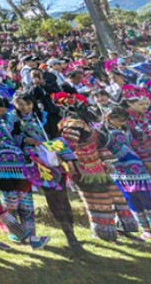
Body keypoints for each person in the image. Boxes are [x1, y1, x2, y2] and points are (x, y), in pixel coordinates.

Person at [55, 92, 137, 241]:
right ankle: (103, 233)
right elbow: (68, 147)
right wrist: (73, 165)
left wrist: (106, 161)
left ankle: (119, 229)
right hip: (83, 169)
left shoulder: (88, 123)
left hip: (97, 167)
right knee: (99, 201)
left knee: (116, 196)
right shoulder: (72, 124)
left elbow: (98, 145)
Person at [0, 96, 50, 250]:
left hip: (18, 162)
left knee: (23, 197)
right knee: (9, 200)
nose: (0, 113)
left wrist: (28, 144)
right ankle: (10, 233)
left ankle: (20, 234)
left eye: (3, 110)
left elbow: (17, 136)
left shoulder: (10, 117)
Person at [12, 91, 82, 252]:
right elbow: (11, 138)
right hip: (33, 163)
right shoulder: (13, 120)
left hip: (52, 159)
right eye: (20, 104)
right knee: (52, 196)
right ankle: (68, 235)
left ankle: (71, 234)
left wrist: (69, 160)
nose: (24, 107)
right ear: (15, 105)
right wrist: (24, 140)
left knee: (62, 197)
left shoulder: (44, 117)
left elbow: (58, 139)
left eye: (28, 104)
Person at [96, 106, 151, 240]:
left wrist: (146, 161)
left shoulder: (126, 130)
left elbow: (136, 146)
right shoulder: (101, 132)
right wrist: (107, 162)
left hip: (137, 168)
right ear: (109, 118)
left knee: (146, 196)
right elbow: (99, 148)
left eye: (123, 121)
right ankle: (145, 229)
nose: (122, 123)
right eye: (119, 121)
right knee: (131, 198)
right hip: (118, 170)